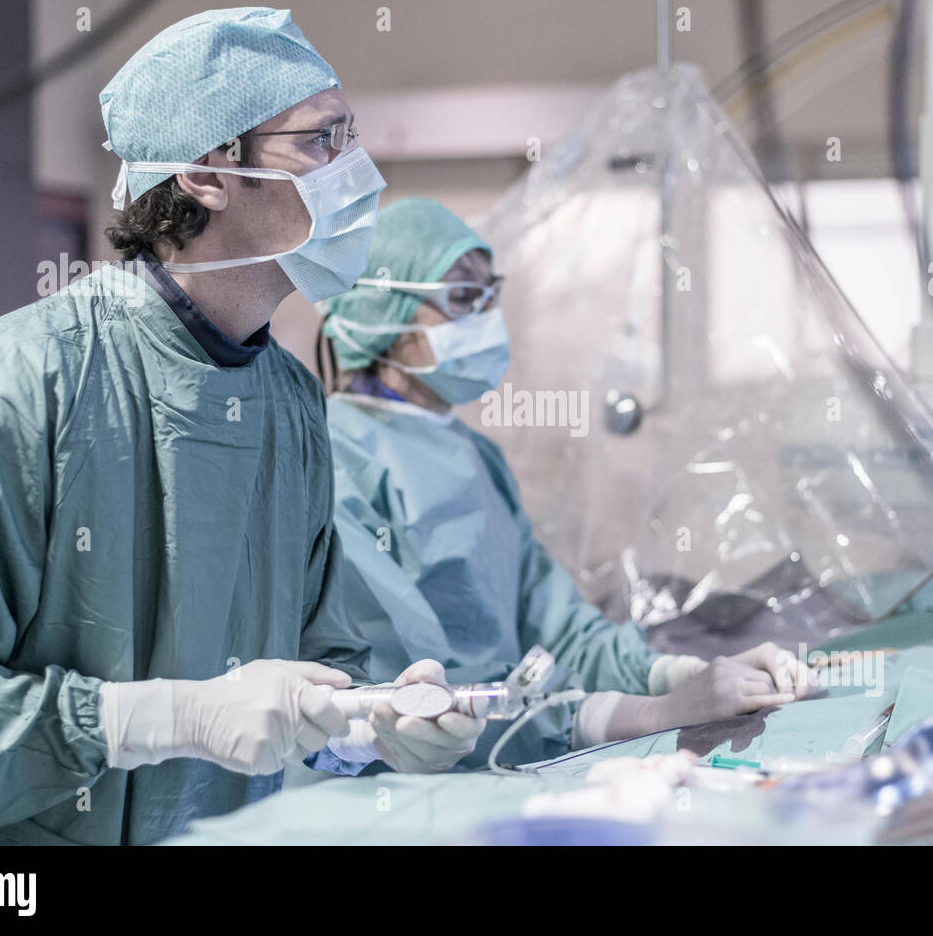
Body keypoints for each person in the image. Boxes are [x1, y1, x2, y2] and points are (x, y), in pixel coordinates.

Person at [0, 9, 481, 846]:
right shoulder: (10, 387)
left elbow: (321, 658)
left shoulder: (289, 402)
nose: (360, 173)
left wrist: (372, 723)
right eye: (322, 140)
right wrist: (162, 717)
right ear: (208, 172)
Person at [316, 198, 810, 768]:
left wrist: (677, 674)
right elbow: (420, 693)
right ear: (384, 316)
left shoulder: (475, 455)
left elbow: (559, 631)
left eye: (489, 293)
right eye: (460, 298)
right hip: (383, 797)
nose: (486, 315)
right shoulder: (336, 458)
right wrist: (644, 714)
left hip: (493, 773)